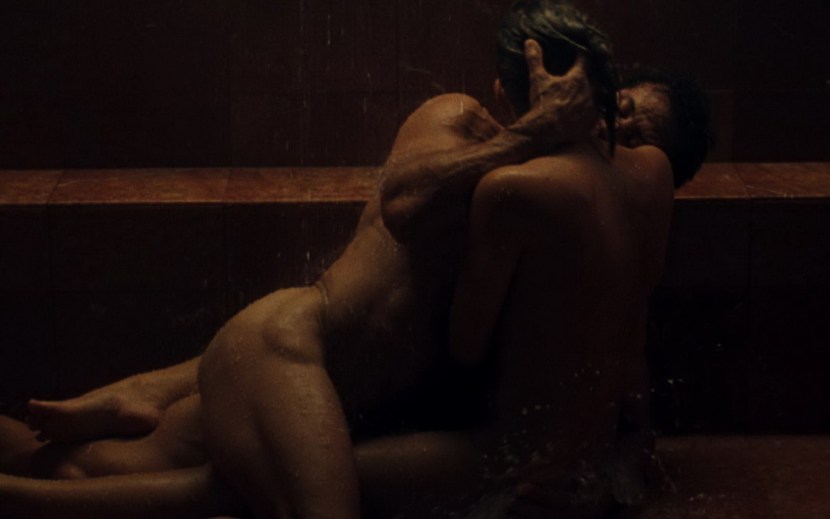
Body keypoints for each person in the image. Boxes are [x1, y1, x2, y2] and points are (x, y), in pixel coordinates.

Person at [0, 1, 711, 517]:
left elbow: (611, 330)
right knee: (209, 483)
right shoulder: (460, 123)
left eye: (634, 130)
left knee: (97, 466)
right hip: (290, 356)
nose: (614, 128)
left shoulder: (584, 201)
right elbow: (404, 215)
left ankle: (138, 397)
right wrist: (531, 134)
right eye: (617, 108)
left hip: (340, 380)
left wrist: (623, 438)